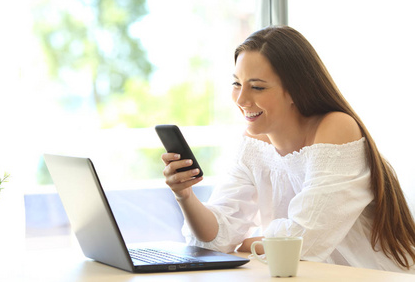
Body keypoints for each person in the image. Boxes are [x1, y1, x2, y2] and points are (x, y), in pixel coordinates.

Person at [161, 26, 415, 273]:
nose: (241, 99)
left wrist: (248, 242)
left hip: (374, 275)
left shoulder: (336, 126)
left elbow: (303, 241)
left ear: (296, 90)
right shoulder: (254, 143)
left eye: (257, 86)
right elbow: (216, 239)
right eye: (237, 83)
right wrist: (185, 195)